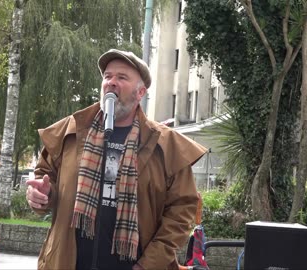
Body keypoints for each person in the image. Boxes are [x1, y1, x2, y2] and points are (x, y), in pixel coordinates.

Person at [26, 48, 207, 270]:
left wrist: (148, 265)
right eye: (107, 76)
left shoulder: (166, 146)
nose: (111, 82)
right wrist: (43, 195)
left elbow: (182, 212)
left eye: (122, 78)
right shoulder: (71, 131)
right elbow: (46, 180)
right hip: (69, 262)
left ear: (140, 92)